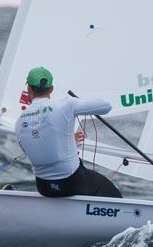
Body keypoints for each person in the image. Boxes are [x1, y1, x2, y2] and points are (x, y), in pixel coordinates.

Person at [15, 67, 122, 198]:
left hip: (44, 187)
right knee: (110, 190)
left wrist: (70, 141)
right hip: (72, 183)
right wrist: (76, 102)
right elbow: (106, 106)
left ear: (29, 89)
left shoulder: (19, 121)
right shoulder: (65, 105)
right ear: (51, 89)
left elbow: (36, 147)